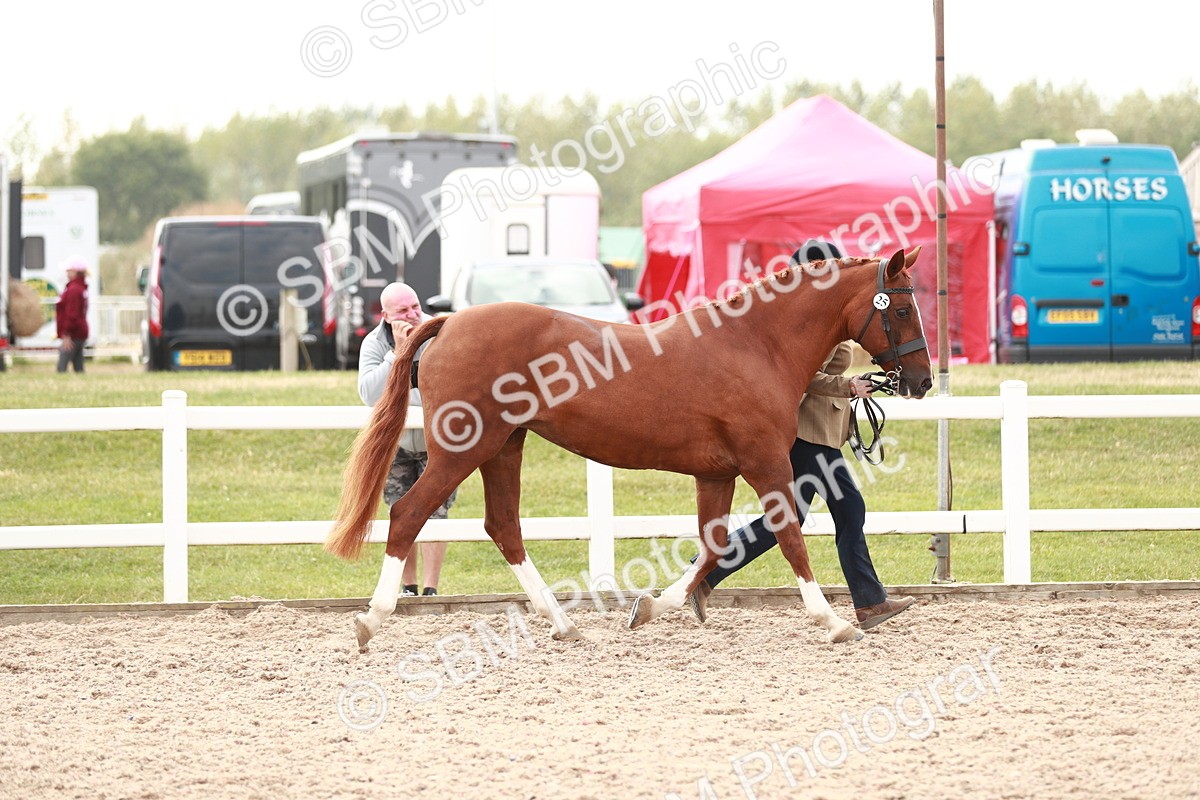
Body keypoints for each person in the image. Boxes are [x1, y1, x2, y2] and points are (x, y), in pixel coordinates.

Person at [687, 240, 916, 630]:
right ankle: (871, 603)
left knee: (787, 519)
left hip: (820, 433)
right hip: (807, 434)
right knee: (844, 510)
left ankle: (704, 573)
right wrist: (848, 386)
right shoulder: (805, 323)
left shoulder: (825, 316)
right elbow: (805, 377)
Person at [357, 282, 456, 597]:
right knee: (400, 511)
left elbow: (452, 384)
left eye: (415, 306)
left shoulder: (440, 333)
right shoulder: (374, 344)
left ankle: (431, 589)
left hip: (435, 441)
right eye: (403, 311)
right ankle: (409, 586)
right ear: (386, 315)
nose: (413, 315)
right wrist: (397, 355)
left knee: (437, 511)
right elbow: (368, 393)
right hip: (396, 444)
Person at [55, 258, 90, 374]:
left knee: (62, 366)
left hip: (73, 333)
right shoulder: (80, 288)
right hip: (79, 331)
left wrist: (66, 334)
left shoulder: (73, 290)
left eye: (69, 270)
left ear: (75, 272)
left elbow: (72, 314)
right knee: (78, 367)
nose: (67, 273)